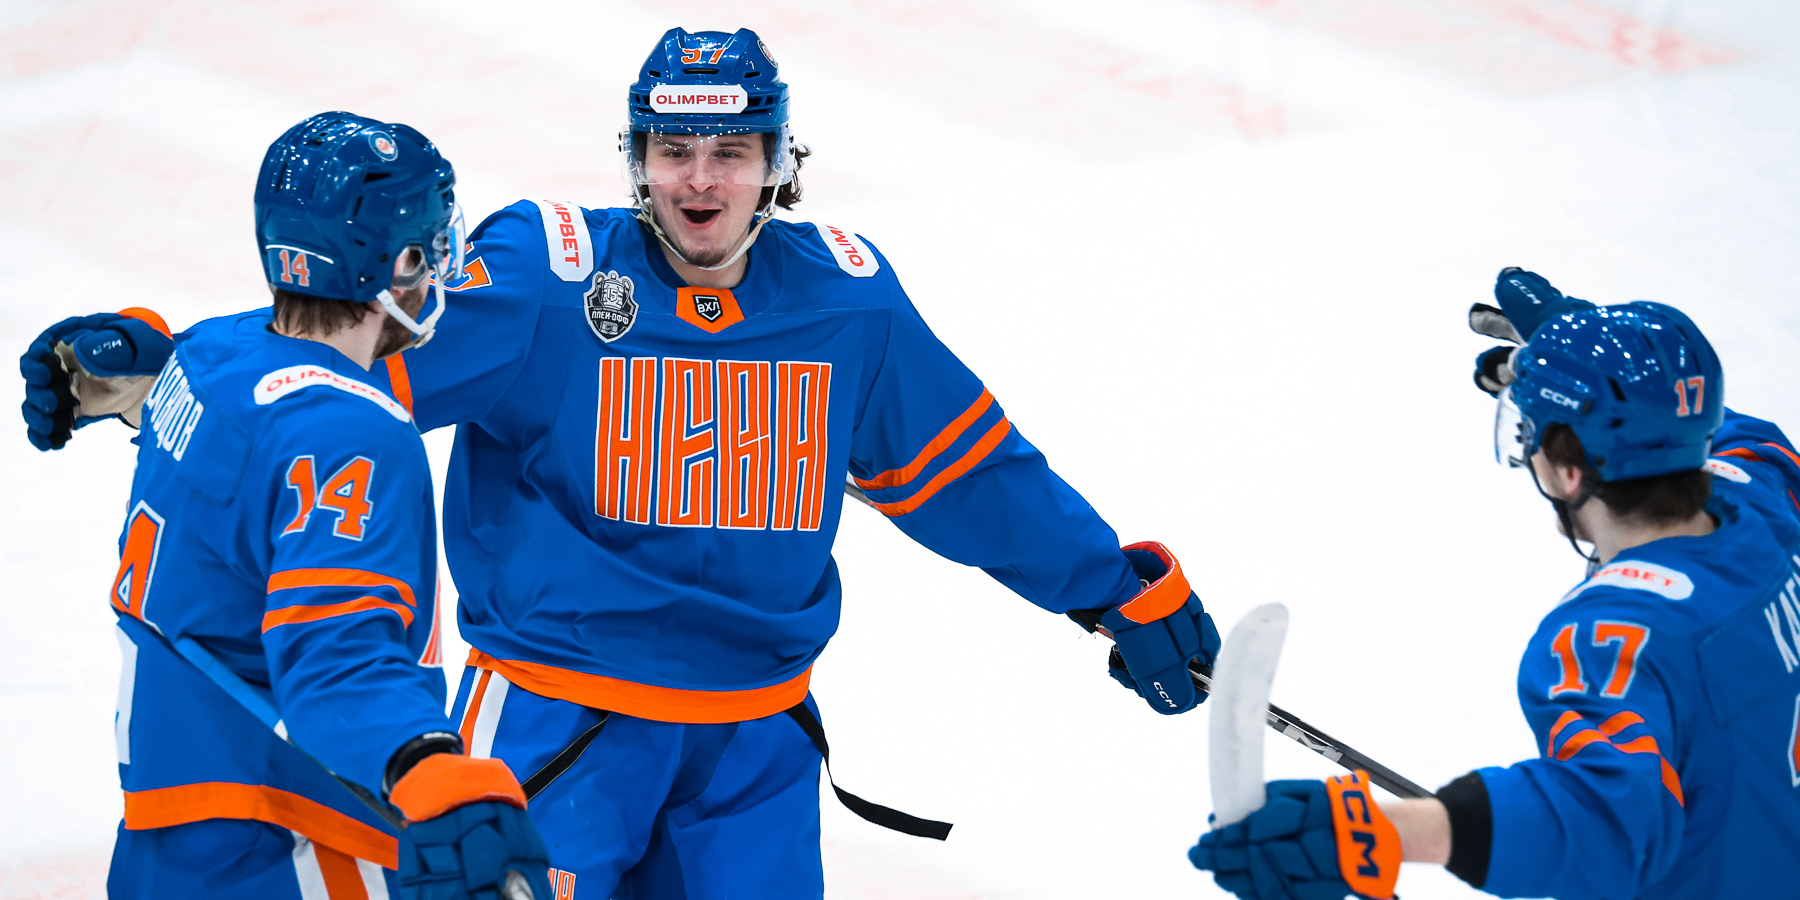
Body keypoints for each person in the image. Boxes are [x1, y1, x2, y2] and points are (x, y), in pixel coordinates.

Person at [21, 30, 1220, 899]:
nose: (700, 178)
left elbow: (969, 468)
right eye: (673, 147)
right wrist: (174, 365)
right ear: (636, 157)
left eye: (731, 150)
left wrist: (1106, 584)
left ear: (778, 161)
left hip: (753, 741)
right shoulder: (546, 278)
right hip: (554, 725)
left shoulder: (847, 303)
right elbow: (343, 349)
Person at [20, 112, 553, 900]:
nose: (443, 266)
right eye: (431, 246)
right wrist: (426, 764)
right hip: (284, 841)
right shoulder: (352, 435)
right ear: (399, 263)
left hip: (169, 833)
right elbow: (335, 650)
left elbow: (240, 449)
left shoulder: (207, 357)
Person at [1189, 269, 1800, 899]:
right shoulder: (1764, 501)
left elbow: (1601, 817)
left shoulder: (1618, 635)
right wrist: (1596, 360)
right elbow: (1720, 430)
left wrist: (1376, 832)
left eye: (1529, 433)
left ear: (1568, 471)